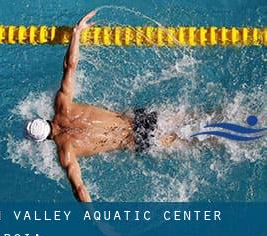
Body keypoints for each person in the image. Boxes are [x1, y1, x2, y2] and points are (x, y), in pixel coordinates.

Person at [25, 11, 177, 202]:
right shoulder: (62, 105)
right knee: (193, 118)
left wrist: (97, 222)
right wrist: (76, 33)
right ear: (43, 119)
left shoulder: (66, 152)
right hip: (139, 118)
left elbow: (79, 189)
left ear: (43, 140)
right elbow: (70, 66)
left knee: (195, 141)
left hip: (138, 140)